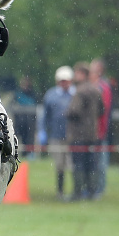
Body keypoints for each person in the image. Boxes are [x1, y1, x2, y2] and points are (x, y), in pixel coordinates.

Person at [66, 62, 104, 200]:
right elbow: (102, 111)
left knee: (78, 165)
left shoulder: (80, 91)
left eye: (77, 73)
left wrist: (67, 113)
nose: (75, 76)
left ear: (83, 74)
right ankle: (92, 192)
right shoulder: (96, 90)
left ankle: (77, 193)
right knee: (91, 164)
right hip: (92, 135)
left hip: (78, 135)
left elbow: (74, 111)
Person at [41, 66, 75, 200]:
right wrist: (43, 131)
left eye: (66, 81)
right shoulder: (51, 95)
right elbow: (45, 116)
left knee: (72, 164)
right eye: (61, 81)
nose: (64, 83)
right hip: (56, 135)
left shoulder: (75, 94)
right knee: (59, 165)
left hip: (72, 136)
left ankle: (76, 191)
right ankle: (60, 191)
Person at [90, 58, 112, 196]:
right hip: (93, 131)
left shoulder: (102, 87)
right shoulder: (96, 86)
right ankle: (93, 188)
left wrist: (100, 130)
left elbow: (103, 111)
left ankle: (99, 189)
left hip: (99, 132)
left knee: (100, 163)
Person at [12, 76, 37, 156]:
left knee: (29, 138)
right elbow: (14, 105)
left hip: (30, 121)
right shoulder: (17, 94)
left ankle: (29, 154)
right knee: (18, 137)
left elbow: (34, 105)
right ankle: (18, 152)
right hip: (19, 120)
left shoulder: (33, 94)